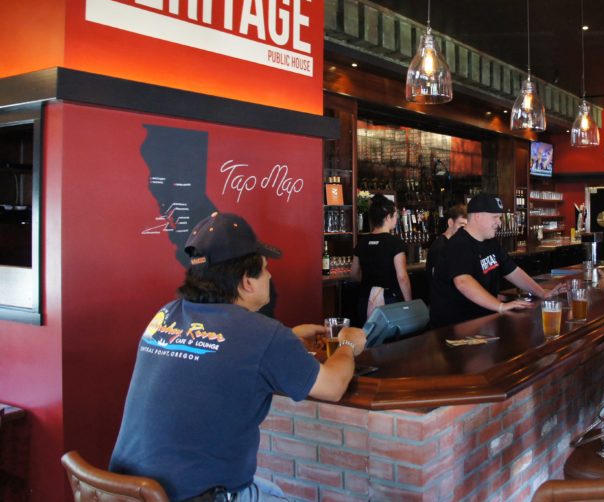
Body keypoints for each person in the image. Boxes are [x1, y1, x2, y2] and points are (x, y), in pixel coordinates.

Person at [109, 212, 366, 501]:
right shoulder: (261, 334)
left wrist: (289, 336)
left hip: (124, 491)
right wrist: (348, 345)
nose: (270, 276)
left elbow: (218, 346)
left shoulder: (166, 315)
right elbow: (332, 387)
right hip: (198, 496)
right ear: (247, 281)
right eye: (266, 269)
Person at [429, 193, 561, 328]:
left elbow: (513, 271)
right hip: (453, 327)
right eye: (495, 217)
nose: (499, 222)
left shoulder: (491, 242)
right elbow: (463, 282)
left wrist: (542, 292)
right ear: (477, 216)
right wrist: (500, 306)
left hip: (483, 321)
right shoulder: (458, 244)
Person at [350, 194, 412, 320]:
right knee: (394, 339)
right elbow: (402, 277)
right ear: (388, 217)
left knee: (368, 337)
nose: (396, 218)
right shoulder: (395, 243)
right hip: (389, 301)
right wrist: (409, 303)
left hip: (365, 300)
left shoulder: (362, 242)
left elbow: (354, 274)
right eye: (395, 215)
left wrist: (372, 285)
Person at [426, 204, 468, 279]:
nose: (465, 230)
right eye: (462, 226)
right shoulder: (440, 247)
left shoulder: (455, 243)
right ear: (450, 223)